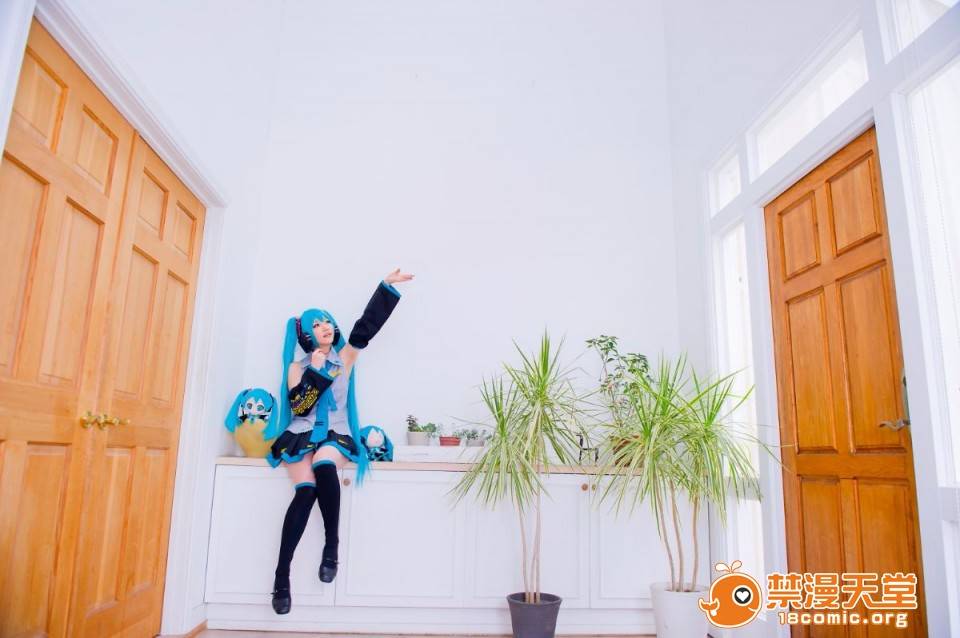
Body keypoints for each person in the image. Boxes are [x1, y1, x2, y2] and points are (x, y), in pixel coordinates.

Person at [265, 269, 413, 614]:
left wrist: (385, 287)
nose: (325, 327)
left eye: (327, 322)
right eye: (316, 324)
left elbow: (365, 328)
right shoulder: (296, 368)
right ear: (306, 335)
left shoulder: (345, 358)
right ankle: (281, 576)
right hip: (300, 434)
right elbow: (300, 406)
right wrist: (316, 371)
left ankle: (331, 546)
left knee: (324, 463)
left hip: (335, 433)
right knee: (305, 492)